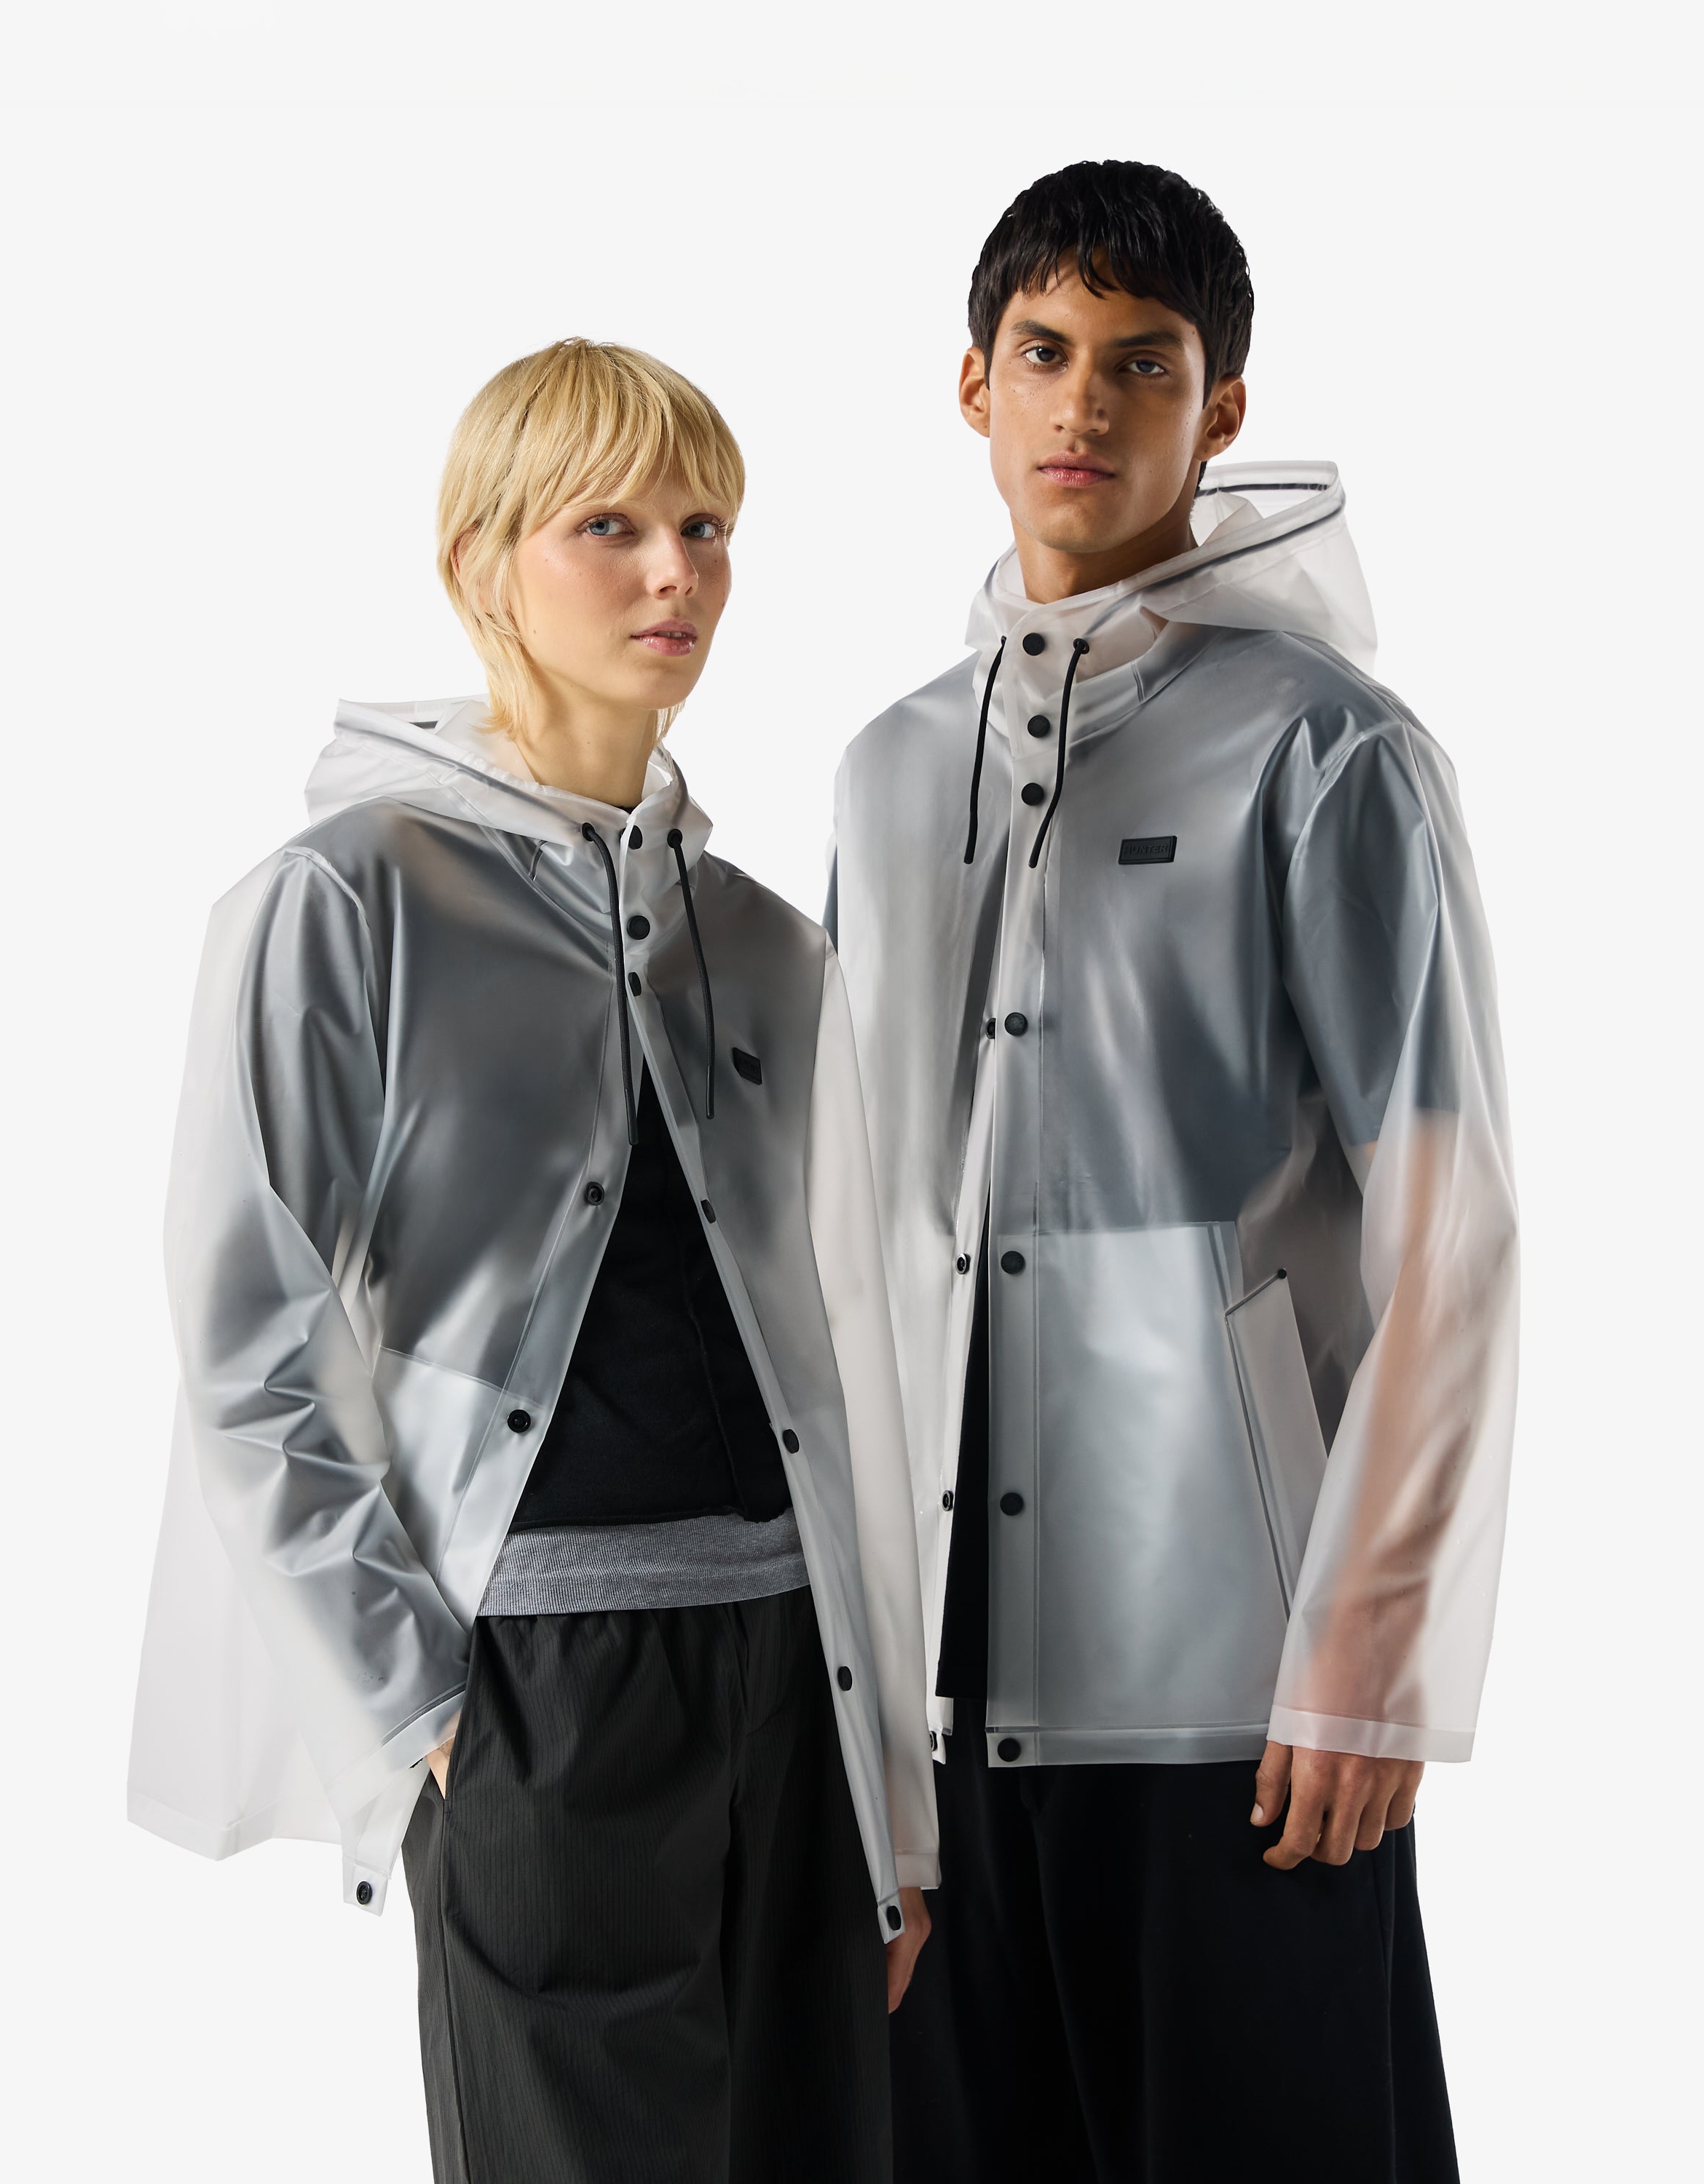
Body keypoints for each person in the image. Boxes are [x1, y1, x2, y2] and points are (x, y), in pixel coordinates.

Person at [129, 338, 937, 2184]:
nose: (676, 573)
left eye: (707, 527)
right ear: (479, 562)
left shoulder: (766, 942)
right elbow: (246, 1351)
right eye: (612, 526)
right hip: (541, 1692)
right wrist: (425, 1712)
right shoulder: (346, 899)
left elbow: (850, 1375)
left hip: (795, 1684)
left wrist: (894, 1803)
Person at [829, 162, 1518, 2183]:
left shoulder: (1325, 750)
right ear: (973, 384)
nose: (1086, 405)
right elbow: (850, 1233)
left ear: (1219, 410)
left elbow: (1451, 1228)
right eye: (1045, 352)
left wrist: (1368, 1657)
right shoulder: (887, 766)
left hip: (1231, 1676)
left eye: (1144, 365)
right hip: (935, 1693)